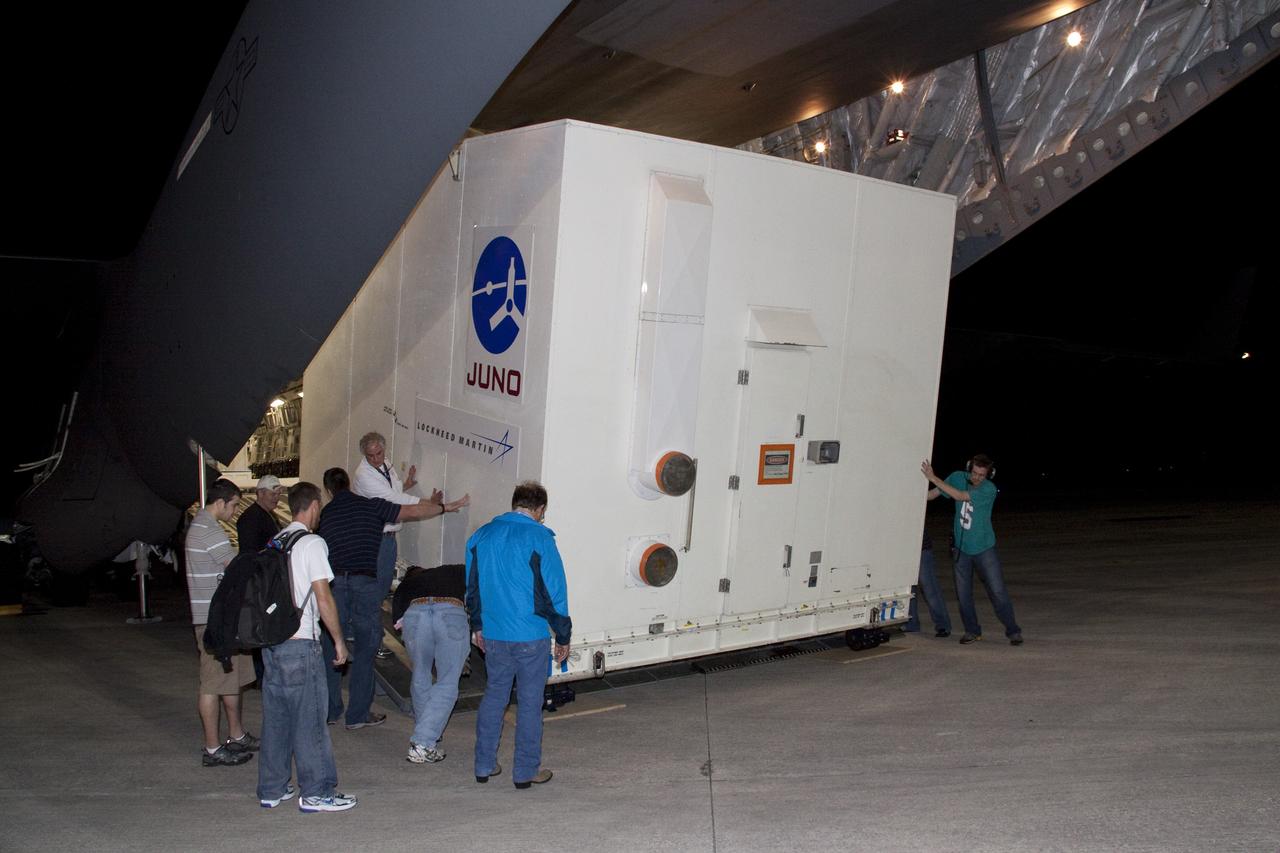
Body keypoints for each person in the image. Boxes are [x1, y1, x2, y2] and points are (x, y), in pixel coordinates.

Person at [317, 467, 468, 730]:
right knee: (366, 648)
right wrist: (443, 507)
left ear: (328, 490)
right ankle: (357, 716)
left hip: (335, 584)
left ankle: (330, 711)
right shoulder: (370, 506)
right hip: (364, 582)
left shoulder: (324, 514)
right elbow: (409, 512)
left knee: (331, 645)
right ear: (350, 484)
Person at [256, 482, 357, 812]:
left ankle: (272, 789)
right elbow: (323, 595)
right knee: (311, 720)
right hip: (300, 644)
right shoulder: (312, 543)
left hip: (271, 643)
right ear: (314, 506)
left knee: (276, 720)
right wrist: (339, 641)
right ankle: (317, 791)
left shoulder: (276, 541)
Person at [466, 481, 571, 790]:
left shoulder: (481, 536)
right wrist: (563, 636)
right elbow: (555, 593)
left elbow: (472, 589)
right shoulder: (540, 537)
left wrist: (477, 626)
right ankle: (525, 772)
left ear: (514, 503)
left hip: (494, 634)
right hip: (530, 635)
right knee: (529, 704)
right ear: (539, 510)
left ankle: (484, 765)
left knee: (495, 697)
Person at [184, 477, 257, 767]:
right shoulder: (208, 530)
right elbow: (235, 567)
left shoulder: (203, 526)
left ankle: (236, 735)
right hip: (212, 620)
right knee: (211, 685)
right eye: (234, 505)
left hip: (219, 617)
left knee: (228, 680)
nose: (235, 511)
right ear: (220, 503)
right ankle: (213, 749)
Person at [922, 454, 1023, 646]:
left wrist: (934, 477)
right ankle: (972, 631)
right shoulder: (957, 477)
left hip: (985, 549)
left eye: (981, 475)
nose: (976, 478)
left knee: (998, 592)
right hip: (962, 550)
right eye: (974, 473)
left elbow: (960, 496)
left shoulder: (988, 489)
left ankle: (1013, 631)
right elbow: (932, 495)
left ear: (988, 475)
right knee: (963, 595)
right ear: (969, 468)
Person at [392, 564, 470, 764]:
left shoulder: (405, 585)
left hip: (414, 613)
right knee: (447, 681)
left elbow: (398, 622)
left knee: (420, 675)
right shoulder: (453, 570)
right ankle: (423, 741)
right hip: (450, 611)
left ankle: (427, 729)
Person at [352, 431, 432, 600]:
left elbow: (392, 491)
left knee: (382, 581)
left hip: (389, 536)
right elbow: (393, 498)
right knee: (377, 585)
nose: (375, 459)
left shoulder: (386, 464)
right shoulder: (364, 475)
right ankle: (371, 621)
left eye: (378, 453)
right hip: (377, 537)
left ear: (384, 449)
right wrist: (431, 504)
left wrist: (407, 483)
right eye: (370, 456)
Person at [904, 529, 952, 638]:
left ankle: (943, 624)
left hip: (921, 547)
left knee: (929, 588)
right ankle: (911, 623)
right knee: (909, 588)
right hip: (904, 547)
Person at [236, 474, 284, 552]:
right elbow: (249, 552)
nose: (277, 498)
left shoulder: (269, 513)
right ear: (261, 493)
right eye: (273, 494)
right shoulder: (250, 518)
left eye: (278, 494)